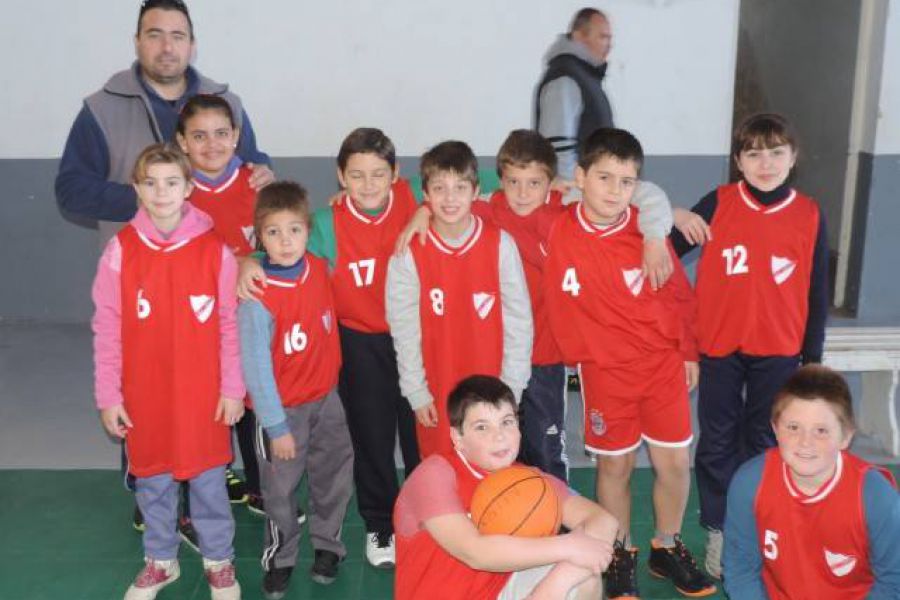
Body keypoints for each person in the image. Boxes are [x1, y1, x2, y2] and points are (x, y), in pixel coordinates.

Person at [396, 129, 678, 481]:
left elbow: (645, 193)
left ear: (552, 183)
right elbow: (450, 198)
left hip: (546, 357)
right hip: (497, 358)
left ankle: (556, 526)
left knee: (545, 453)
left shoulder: (566, 210)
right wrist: (422, 212)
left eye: (534, 183)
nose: (522, 193)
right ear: (500, 181)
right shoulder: (489, 209)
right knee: (496, 450)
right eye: (513, 182)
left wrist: (655, 232)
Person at [543, 128, 716, 599]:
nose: (614, 191)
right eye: (603, 178)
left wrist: (686, 350)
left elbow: (679, 295)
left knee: (675, 463)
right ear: (580, 177)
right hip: (606, 372)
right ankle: (621, 551)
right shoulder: (558, 226)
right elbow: (504, 196)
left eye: (626, 181)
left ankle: (667, 544)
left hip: (660, 365)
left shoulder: (646, 230)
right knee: (615, 468)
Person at [670, 113, 830, 578]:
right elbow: (663, 250)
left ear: (792, 158)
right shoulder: (718, 203)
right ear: (738, 160)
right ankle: (719, 530)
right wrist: (672, 214)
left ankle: (756, 530)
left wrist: (812, 359)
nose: (766, 163)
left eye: (776, 152)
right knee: (717, 442)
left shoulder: (809, 214)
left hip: (780, 351)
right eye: (754, 153)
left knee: (763, 442)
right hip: (719, 347)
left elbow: (817, 291)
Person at [92, 143, 243, 600]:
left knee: (209, 482)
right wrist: (109, 395)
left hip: (203, 393)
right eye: (151, 183)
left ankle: (219, 562)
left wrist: (233, 387)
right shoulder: (120, 251)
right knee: (153, 480)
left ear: (189, 188)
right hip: (145, 394)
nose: (161, 192)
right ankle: (161, 561)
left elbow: (228, 325)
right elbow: (106, 327)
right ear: (137, 189)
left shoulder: (215, 251)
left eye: (171, 182)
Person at [55, 0, 272, 242]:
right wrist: (146, 198)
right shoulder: (101, 110)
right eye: (155, 35)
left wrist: (263, 170)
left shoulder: (227, 104)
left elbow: (252, 162)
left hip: (223, 268)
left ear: (192, 46)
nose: (167, 47)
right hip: (139, 270)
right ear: (137, 42)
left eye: (178, 36)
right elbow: (71, 190)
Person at [394, 374, 619, 599]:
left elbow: (603, 521)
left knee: (584, 577)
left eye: (507, 422)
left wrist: (555, 584)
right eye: (482, 427)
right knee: (579, 555)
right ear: (458, 437)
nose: (499, 436)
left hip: (494, 592)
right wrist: (568, 546)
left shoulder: (528, 480)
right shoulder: (434, 475)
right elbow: (474, 552)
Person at [238, 182, 353, 599]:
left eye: (294, 231)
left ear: (308, 231)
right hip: (282, 413)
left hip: (327, 400)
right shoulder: (255, 295)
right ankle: (281, 557)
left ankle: (328, 546)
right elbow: (256, 368)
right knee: (281, 491)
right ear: (258, 237)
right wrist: (275, 426)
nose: (284, 242)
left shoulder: (320, 269)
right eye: (272, 232)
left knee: (333, 477)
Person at [385, 141, 533, 459]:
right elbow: (404, 328)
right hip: (437, 389)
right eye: (439, 188)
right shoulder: (408, 252)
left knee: (491, 475)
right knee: (442, 473)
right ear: (425, 194)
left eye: (460, 187)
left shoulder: (500, 245)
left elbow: (520, 321)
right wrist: (415, 390)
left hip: (494, 386)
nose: (450, 198)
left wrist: (512, 388)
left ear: (475, 192)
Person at [723, 364, 900, 599]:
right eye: (793, 427)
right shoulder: (750, 483)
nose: (805, 442)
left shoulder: (875, 496)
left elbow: (893, 581)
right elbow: (741, 570)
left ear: (846, 436)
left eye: (821, 431)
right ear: (775, 428)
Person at [176, 93, 268, 515]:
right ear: (181, 142)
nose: (211, 144)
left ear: (236, 137)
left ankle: (259, 484)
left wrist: (255, 261)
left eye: (220, 134)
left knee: (251, 405)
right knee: (203, 405)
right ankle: (202, 483)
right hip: (194, 324)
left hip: (249, 322)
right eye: (198, 136)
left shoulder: (257, 185)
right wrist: (236, 261)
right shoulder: (174, 192)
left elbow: (278, 247)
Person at [535, 7, 613, 183]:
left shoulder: (583, 77)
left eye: (609, 38)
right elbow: (557, 146)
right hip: (575, 193)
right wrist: (574, 191)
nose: (608, 44)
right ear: (579, 37)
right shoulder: (565, 78)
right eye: (602, 37)